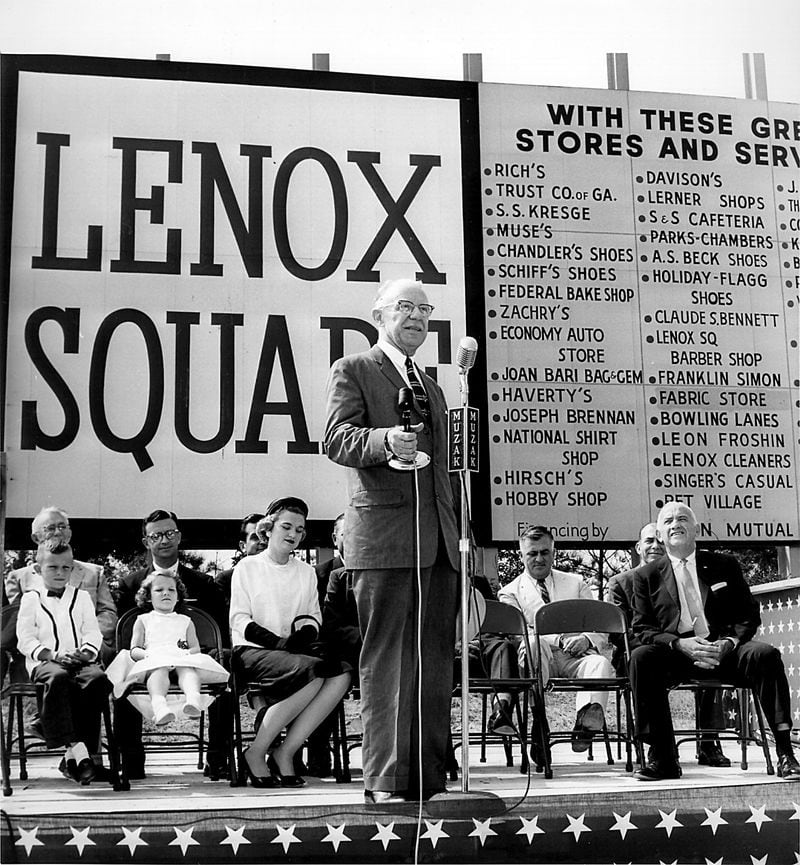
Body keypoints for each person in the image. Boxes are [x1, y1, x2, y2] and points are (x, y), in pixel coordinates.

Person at [324, 277, 459, 804]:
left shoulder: (435, 387)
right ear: (379, 314)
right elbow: (335, 438)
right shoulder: (353, 369)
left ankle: (427, 776)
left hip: (439, 543)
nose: (417, 317)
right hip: (383, 540)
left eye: (425, 309)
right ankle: (386, 779)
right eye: (405, 307)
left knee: (434, 663)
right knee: (386, 661)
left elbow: (445, 470)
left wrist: (459, 537)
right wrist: (385, 440)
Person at [630, 501, 800, 781]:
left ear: (696, 528)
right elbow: (642, 628)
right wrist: (678, 644)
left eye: (683, 518)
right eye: (668, 521)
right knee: (641, 657)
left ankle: (785, 753)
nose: (676, 524)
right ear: (660, 534)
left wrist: (729, 642)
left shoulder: (724, 565)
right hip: (678, 655)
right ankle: (663, 758)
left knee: (765, 655)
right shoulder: (645, 576)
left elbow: (748, 615)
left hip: (724, 650)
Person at [230, 497, 351, 789]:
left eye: (299, 529)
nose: (293, 534)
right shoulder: (248, 567)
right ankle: (256, 752)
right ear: (268, 528)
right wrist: (276, 642)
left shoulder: (306, 572)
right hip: (252, 651)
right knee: (311, 672)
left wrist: (302, 636)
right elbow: (239, 619)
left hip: (294, 654)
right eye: (286, 526)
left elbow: (313, 617)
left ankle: (286, 752)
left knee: (341, 673)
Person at [114, 509, 228, 779]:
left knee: (225, 667)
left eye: (170, 533)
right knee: (121, 674)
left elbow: (219, 629)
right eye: (156, 535)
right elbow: (126, 637)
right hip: (149, 661)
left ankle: (219, 760)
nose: (164, 540)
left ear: (179, 536)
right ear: (146, 542)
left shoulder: (204, 584)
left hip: (191, 658)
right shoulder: (130, 585)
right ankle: (131, 761)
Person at [607, 521, 730, 768]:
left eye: (658, 540)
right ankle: (659, 748)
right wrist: (663, 644)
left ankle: (708, 741)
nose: (654, 545)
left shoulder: (682, 574)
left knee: (705, 653)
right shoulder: (621, 582)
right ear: (638, 547)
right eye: (648, 541)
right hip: (639, 653)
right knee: (645, 660)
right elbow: (620, 634)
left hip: (679, 651)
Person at [498, 525, 614, 752]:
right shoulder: (510, 592)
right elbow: (519, 633)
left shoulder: (576, 583)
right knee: (532, 643)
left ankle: (586, 724)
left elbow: (597, 623)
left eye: (545, 552)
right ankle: (539, 724)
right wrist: (558, 640)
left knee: (600, 664)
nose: (539, 558)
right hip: (540, 657)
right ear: (522, 555)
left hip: (577, 656)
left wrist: (587, 639)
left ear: (553, 552)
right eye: (532, 553)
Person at [15, 543, 110, 784]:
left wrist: (86, 653)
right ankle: (81, 753)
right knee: (58, 678)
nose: (60, 573)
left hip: (78, 660)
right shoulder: (31, 599)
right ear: (38, 568)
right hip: (46, 661)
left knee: (98, 680)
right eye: (53, 567)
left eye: (66, 568)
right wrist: (53, 654)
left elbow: (92, 632)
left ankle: (55, 736)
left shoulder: (81, 597)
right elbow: (25, 639)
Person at [106, 572, 228, 725]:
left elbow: (195, 648)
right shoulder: (143, 620)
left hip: (181, 658)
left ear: (178, 596)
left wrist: (184, 654)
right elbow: (134, 649)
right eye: (159, 590)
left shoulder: (186, 621)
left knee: (188, 671)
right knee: (158, 672)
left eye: (172, 590)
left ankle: (193, 700)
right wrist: (148, 655)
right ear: (148, 597)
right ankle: (160, 706)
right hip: (154, 660)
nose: (166, 593)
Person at [5, 506, 117, 663]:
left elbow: (108, 613)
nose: (58, 532)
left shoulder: (94, 573)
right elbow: (18, 625)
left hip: (87, 651)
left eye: (62, 527)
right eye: (50, 528)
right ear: (35, 538)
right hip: (40, 655)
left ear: (70, 533)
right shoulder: (18, 578)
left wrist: (86, 642)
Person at [214, 513, 266, 607]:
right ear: (243, 546)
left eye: (266, 537)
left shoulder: (285, 577)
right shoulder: (226, 580)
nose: (262, 542)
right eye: (255, 537)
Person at [314, 513, 345, 605]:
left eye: (358, 534)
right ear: (335, 539)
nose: (353, 539)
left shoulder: (378, 574)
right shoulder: (317, 574)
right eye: (346, 534)